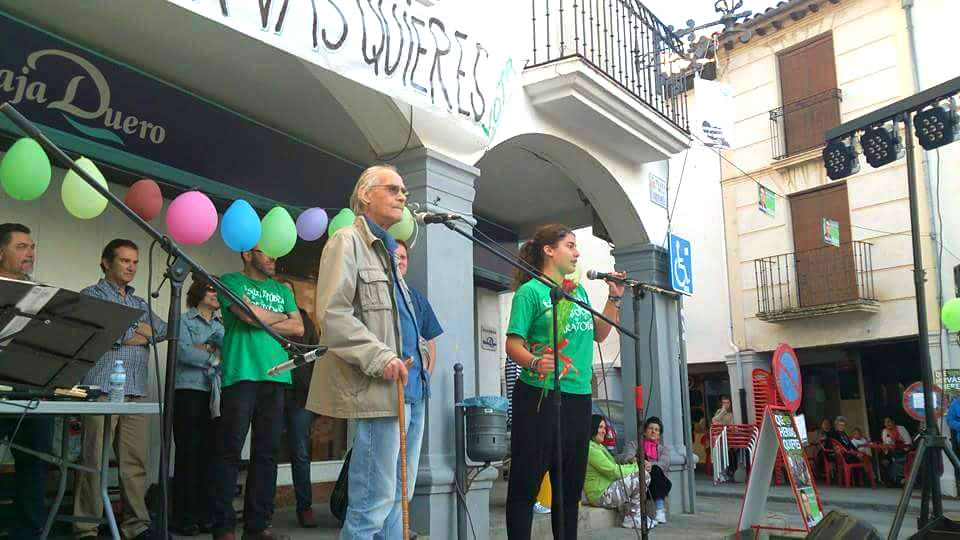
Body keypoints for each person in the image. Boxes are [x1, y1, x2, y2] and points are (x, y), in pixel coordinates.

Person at [309, 165, 431, 539]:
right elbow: (332, 315)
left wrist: (421, 358)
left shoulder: (389, 253)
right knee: (372, 503)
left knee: (399, 499)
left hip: (413, 393)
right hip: (380, 390)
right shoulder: (347, 241)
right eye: (393, 189)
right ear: (365, 195)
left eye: (404, 191)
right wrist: (382, 358)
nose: (403, 196)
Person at [504, 224, 625, 539]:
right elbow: (512, 343)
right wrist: (533, 361)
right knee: (525, 485)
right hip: (538, 396)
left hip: (578, 398)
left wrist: (613, 298)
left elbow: (599, 333)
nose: (577, 252)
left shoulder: (578, 291)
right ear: (549, 250)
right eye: (570, 245)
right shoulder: (530, 292)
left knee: (569, 489)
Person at [74, 239, 167, 540]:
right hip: (101, 389)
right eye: (125, 261)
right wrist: (138, 331)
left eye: (135, 262)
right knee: (93, 462)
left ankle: (136, 527)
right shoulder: (92, 295)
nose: (131, 267)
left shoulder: (140, 303)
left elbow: (164, 331)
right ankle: (86, 529)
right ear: (106, 262)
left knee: (134, 462)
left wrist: (130, 332)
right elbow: (108, 333)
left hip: (136, 390)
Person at [211, 248, 304, 540]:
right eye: (267, 252)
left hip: (276, 376)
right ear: (247, 253)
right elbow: (247, 317)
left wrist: (260, 313)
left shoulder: (281, 289)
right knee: (229, 451)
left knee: (267, 454)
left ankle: (258, 526)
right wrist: (279, 318)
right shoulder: (231, 281)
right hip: (241, 373)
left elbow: (299, 327)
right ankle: (223, 526)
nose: (273, 258)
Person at [0, 223, 54, 540]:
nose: (30, 253)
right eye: (21, 246)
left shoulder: (42, 293)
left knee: (35, 463)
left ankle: (28, 533)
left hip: (29, 388)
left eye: (32, 247)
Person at [172, 276, 224, 535]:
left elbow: (228, 355)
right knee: (187, 455)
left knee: (209, 456)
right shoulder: (183, 320)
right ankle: (184, 517)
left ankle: (205, 515)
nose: (216, 294)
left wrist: (206, 350)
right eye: (211, 289)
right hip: (188, 392)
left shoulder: (223, 324)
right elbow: (182, 352)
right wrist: (213, 354)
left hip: (213, 395)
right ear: (198, 292)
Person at [275, 278, 321, 528]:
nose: (285, 296)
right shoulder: (266, 319)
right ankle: (262, 511)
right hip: (271, 391)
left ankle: (305, 507)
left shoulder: (305, 320)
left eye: (288, 292)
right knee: (266, 450)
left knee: (300, 452)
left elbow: (313, 357)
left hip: (300, 395)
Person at [584, 415, 657, 530]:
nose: (604, 431)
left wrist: (631, 461)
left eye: (605, 428)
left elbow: (614, 462)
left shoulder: (598, 446)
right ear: (592, 428)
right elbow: (614, 471)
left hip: (606, 489)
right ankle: (633, 517)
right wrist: (636, 467)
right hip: (600, 494)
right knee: (643, 476)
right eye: (600, 427)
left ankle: (634, 515)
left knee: (643, 475)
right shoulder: (591, 449)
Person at [641, 417, 673, 524]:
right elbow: (625, 457)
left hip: (661, 481)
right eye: (650, 428)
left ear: (659, 434)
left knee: (655, 469)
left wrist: (650, 464)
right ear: (645, 432)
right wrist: (640, 462)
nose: (653, 431)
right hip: (642, 480)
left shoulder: (664, 449)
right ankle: (658, 511)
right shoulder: (636, 445)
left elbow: (664, 463)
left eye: (657, 429)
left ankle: (659, 511)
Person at [711, 395, 737, 482]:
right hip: (720, 439)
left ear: (730, 403)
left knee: (729, 452)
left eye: (727, 403)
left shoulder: (732, 414)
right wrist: (723, 411)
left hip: (729, 438)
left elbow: (731, 424)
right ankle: (722, 473)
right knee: (720, 451)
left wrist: (722, 423)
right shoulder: (719, 411)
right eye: (723, 403)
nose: (725, 404)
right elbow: (714, 420)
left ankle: (728, 472)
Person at [880, 417, 911, 487]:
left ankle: (900, 480)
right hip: (890, 451)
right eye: (886, 422)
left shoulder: (901, 428)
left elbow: (908, 441)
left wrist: (897, 443)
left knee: (898, 460)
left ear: (893, 422)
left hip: (902, 450)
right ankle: (890, 481)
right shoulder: (885, 431)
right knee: (884, 461)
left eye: (889, 422)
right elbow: (886, 443)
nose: (887, 424)